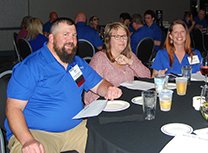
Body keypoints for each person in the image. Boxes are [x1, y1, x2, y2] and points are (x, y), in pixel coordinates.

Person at [5, 17, 122, 153]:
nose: (71, 40)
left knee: (110, 142)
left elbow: (99, 84)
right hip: (37, 133)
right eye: (65, 34)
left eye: (74, 35)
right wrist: (27, 140)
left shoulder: (77, 63)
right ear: (51, 38)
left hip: (76, 129)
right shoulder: (30, 67)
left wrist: (108, 89)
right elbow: (13, 108)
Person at [84, 22, 151, 104]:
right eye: (116, 37)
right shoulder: (100, 59)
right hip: (108, 105)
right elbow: (88, 95)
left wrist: (130, 62)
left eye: (124, 36)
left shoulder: (130, 55)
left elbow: (147, 76)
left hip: (128, 102)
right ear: (108, 39)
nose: (122, 40)